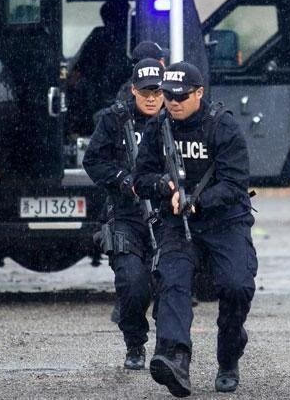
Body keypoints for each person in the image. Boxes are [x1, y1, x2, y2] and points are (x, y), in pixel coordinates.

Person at [134, 61, 256, 396]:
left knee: (236, 287)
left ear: (199, 93)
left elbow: (235, 184)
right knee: (172, 281)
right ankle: (175, 359)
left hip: (224, 221)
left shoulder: (223, 127)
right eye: (167, 95)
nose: (172, 102)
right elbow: (140, 178)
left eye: (181, 96)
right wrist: (164, 187)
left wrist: (196, 202)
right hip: (176, 223)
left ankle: (228, 358)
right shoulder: (157, 128)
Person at [82, 58, 165, 370]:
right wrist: (121, 179)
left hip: (166, 217)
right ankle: (135, 344)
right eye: (145, 92)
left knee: (171, 286)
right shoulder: (115, 120)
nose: (151, 98)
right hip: (127, 217)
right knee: (133, 285)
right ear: (133, 90)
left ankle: (170, 348)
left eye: (157, 92)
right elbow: (93, 161)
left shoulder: (176, 119)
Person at [68, 0, 133, 135]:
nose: (111, 24)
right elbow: (77, 71)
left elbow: (76, 71)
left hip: (116, 97)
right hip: (102, 97)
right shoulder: (100, 37)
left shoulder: (136, 35)